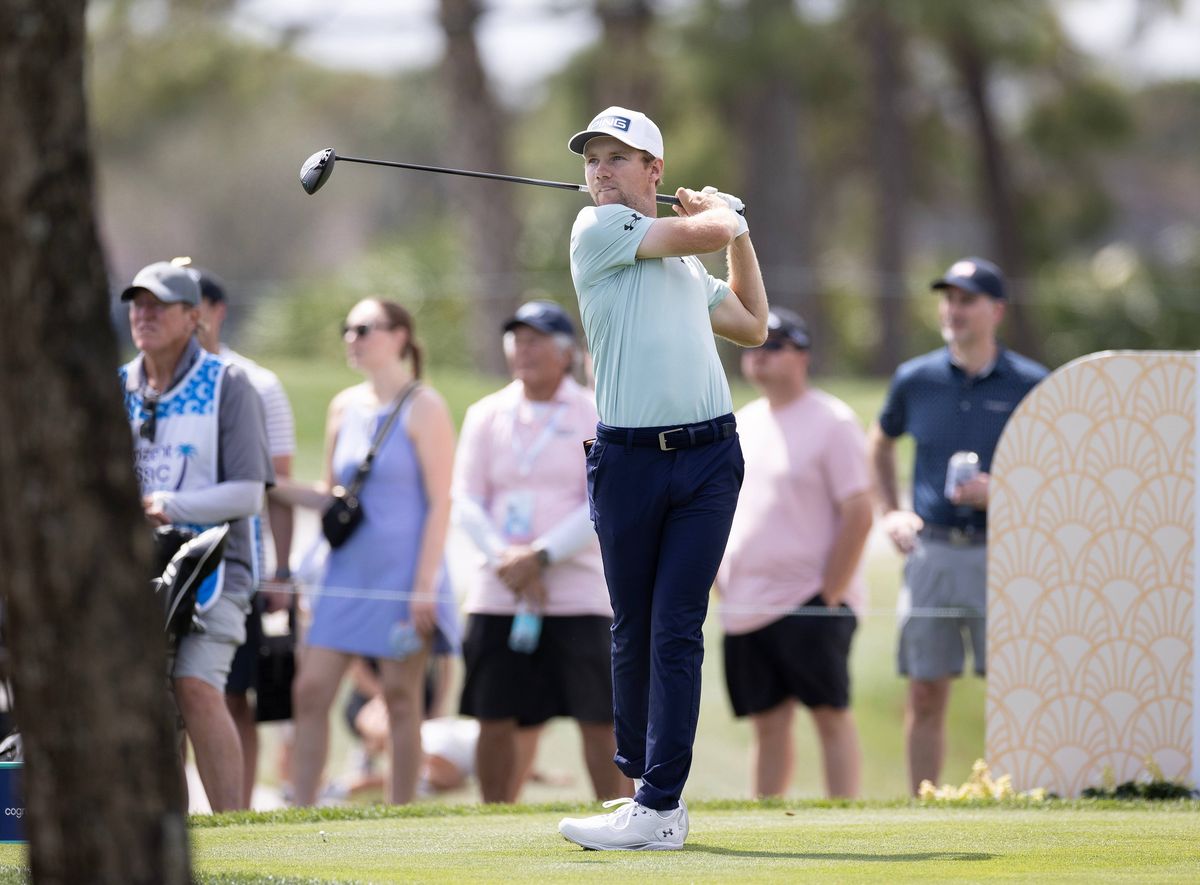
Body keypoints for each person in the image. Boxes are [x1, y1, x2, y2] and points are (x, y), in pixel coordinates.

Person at [556, 106, 768, 851]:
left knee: (676, 626)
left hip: (709, 459)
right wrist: (724, 215)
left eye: (618, 158)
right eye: (592, 160)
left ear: (655, 170)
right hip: (629, 462)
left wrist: (738, 232)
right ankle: (645, 787)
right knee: (633, 628)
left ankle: (659, 803)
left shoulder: (685, 265)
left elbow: (753, 324)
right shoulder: (597, 230)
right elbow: (706, 230)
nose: (601, 172)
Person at [866, 257, 1048, 794]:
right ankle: (925, 810)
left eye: (967, 300)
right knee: (925, 691)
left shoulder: (1032, 383)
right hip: (934, 552)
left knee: (1017, 693)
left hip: (1008, 555)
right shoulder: (915, 379)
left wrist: (1005, 492)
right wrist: (892, 511)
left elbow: (1059, 470)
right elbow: (879, 442)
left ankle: (1024, 802)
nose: (953, 309)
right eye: (948, 299)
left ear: (997, 311)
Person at [271, 298, 460, 806]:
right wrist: (270, 486)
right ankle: (302, 808)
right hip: (346, 573)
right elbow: (333, 495)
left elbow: (441, 502)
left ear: (400, 336)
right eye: (347, 329)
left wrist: (424, 586)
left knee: (400, 699)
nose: (351, 339)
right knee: (311, 690)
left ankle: (401, 813)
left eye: (364, 329)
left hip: (403, 577)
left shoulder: (425, 406)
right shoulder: (343, 406)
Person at [452, 299, 629, 803]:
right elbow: (466, 499)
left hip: (578, 593)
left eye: (536, 341)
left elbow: (601, 500)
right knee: (493, 714)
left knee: (600, 718)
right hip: (499, 591)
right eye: (517, 340)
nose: (523, 350)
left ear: (566, 353)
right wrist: (507, 559)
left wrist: (541, 556)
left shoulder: (596, 412)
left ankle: (618, 815)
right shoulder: (486, 413)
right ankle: (494, 822)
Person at [119, 260, 272, 812]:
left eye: (159, 305)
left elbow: (249, 494)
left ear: (192, 317)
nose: (145, 314)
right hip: (138, 573)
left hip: (217, 572)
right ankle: (169, 836)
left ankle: (233, 829)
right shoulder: (118, 386)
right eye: (138, 304)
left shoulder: (228, 384)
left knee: (196, 686)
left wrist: (167, 506)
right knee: (148, 705)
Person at [715, 309, 873, 799]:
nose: (760, 356)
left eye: (775, 345)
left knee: (829, 714)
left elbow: (859, 512)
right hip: (747, 604)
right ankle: (766, 822)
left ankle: (845, 819)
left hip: (810, 599)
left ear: (802, 355)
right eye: (755, 347)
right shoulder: (741, 423)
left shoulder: (832, 421)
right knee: (766, 722)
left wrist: (830, 593)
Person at [190, 264, 298, 809]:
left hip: (236, 567)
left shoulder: (255, 382)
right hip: (160, 569)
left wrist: (281, 569)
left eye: (192, 304)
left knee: (233, 697)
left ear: (216, 311)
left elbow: (277, 488)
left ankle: (236, 816)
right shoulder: (138, 383)